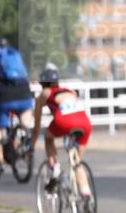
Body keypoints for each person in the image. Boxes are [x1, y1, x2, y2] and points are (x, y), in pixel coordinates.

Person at [29, 64, 93, 198]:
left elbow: (36, 126)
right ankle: (86, 194)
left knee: (48, 136)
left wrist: (31, 147)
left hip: (64, 121)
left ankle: (55, 168)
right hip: (84, 122)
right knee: (77, 162)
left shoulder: (45, 93)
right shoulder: (69, 91)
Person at [0, 35, 35, 181]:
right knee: (25, 112)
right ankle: (24, 135)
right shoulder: (16, 56)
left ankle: (1, 162)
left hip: (4, 97)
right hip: (24, 93)